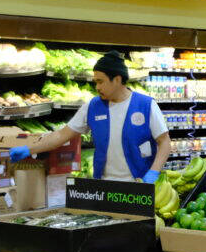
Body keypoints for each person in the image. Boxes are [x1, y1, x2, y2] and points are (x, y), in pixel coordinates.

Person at [19, 52, 171, 183]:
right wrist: (29, 149)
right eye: (95, 82)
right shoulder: (93, 106)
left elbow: (164, 142)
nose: (97, 87)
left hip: (139, 184)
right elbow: (61, 135)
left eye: (100, 81)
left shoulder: (146, 105)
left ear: (117, 79)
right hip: (103, 186)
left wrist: (154, 172)